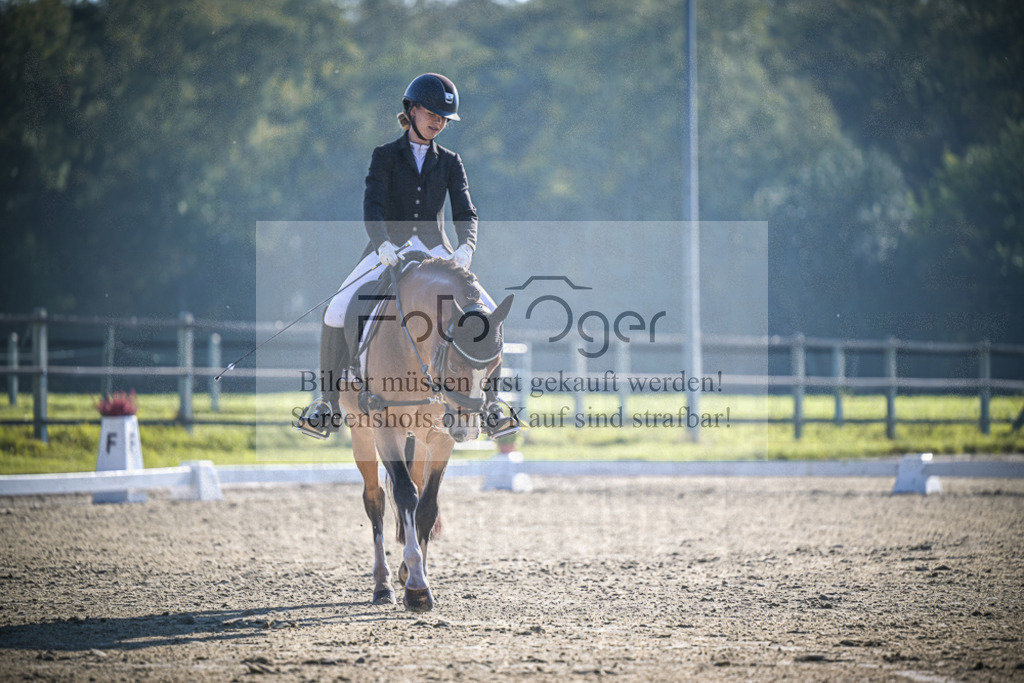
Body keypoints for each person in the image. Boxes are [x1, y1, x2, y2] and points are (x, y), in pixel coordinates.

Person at [298, 73, 515, 439]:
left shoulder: (450, 161)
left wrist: (466, 247)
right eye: (432, 113)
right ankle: (326, 403)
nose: (437, 122)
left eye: (444, 118)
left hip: (435, 250)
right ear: (411, 110)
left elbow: (466, 211)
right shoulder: (384, 156)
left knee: (488, 314)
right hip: (389, 250)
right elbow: (373, 206)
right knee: (337, 309)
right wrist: (382, 244)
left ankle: (492, 404)